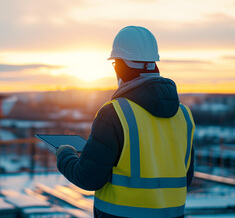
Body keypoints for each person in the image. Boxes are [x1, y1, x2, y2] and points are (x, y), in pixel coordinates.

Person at [56, 26, 195, 218]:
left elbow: (88, 178)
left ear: (119, 65)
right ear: (154, 64)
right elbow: (184, 179)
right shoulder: (184, 116)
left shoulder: (114, 114)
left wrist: (64, 155)